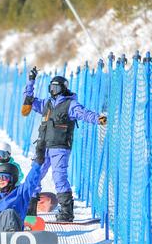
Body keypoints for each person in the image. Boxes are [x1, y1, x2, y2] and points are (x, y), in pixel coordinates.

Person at [22, 67, 108, 221]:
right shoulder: (46, 104)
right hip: (43, 146)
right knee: (34, 175)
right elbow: (28, 101)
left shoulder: (70, 104)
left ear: (63, 88)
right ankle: (30, 210)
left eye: (56, 88)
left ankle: (66, 212)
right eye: (51, 87)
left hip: (60, 146)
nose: (53, 91)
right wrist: (31, 81)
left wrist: (98, 119)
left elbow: (84, 113)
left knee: (59, 177)